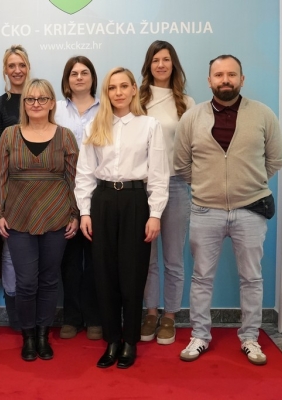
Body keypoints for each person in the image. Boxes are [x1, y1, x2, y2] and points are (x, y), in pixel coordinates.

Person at [174, 55, 282, 365]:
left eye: (231, 74)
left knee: (252, 278)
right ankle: (200, 335)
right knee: (201, 277)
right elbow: (182, 164)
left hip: (250, 210)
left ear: (242, 79)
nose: (225, 80)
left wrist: (248, 183)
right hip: (205, 211)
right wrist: (208, 186)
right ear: (209, 80)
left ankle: (250, 337)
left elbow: (275, 159)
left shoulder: (263, 115)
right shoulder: (192, 118)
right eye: (219, 75)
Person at [75, 67, 169, 369]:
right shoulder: (95, 126)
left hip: (135, 201)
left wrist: (155, 214)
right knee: (104, 274)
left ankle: (130, 341)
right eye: (112, 87)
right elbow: (85, 172)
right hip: (102, 201)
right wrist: (85, 211)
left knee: (132, 273)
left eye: (124, 86)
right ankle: (112, 340)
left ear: (133, 90)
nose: (118, 92)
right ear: (107, 92)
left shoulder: (149, 125)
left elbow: (159, 174)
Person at [0, 78, 79, 361]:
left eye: (42, 99)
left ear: (52, 103)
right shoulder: (9, 135)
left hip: (57, 215)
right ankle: (28, 335)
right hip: (18, 216)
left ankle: (43, 334)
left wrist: (75, 214)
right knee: (27, 281)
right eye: (30, 99)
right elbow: (0, 177)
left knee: (50, 280)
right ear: (24, 104)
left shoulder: (65, 136)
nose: (36, 104)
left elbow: (74, 179)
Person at [138, 40, 195, 344]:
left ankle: (170, 316)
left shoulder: (186, 102)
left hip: (175, 185)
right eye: (155, 60)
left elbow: (194, 147)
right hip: (142, 187)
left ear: (174, 64)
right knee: (146, 259)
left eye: (166, 59)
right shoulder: (137, 100)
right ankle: (150, 313)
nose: (161, 65)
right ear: (148, 65)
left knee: (173, 257)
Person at [54, 56, 102, 341]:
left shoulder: (106, 109)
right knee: (69, 261)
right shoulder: (56, 110)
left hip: (100, 192)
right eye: (74, 73)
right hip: (64, 193)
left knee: (96, 260)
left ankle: (95, 317)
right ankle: (71, 317)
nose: (80, 77)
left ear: (93, 77)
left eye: (85, 72)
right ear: (67, 79)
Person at [0, 44, 31, 331]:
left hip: (39, 187)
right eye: (12, 65)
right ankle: (14, 310)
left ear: (28, 68)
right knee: (9, 250)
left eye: (22, 65)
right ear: (5, 70)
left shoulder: (38, 98)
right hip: (10, 187)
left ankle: (34, 310)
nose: (17, 70)